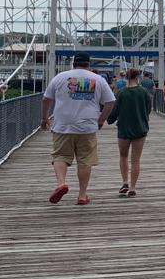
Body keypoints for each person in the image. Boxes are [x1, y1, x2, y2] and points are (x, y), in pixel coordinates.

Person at [41, 51, 116, 206]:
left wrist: (45, 118)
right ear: (89, 64)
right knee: (85, 161)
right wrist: (101, 121)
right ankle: (82, 195)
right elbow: (110, 102)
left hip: (62, 125)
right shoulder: (98, 79)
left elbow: (46, 99)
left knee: (60, 156)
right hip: (87, 126)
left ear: (74, 63)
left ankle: (61, 184)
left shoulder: (60, 77)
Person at [106, 68, 151, 197]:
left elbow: (114, 112)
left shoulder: (121, 93)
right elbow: (148, 109)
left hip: (124, 129)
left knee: (123, 156)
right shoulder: (144, 92)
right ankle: (132, 187)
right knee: (136, 160)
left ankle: (125, 182)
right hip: (140, 129)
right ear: (138, 77)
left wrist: (108, 120)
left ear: (126, 78)